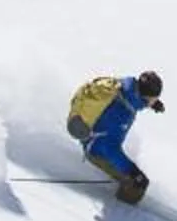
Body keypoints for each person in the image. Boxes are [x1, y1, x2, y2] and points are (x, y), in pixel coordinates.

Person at [66, 70, 165, 204]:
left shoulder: (125, 91)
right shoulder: (121, 111)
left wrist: (151, 104)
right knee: (138, 183)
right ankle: (121, 209)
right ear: (146, 96)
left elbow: (136, 96)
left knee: (137, 178)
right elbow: (106, 146)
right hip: (97, 151)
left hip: (103, 143)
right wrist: (130, 170)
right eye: (154, 98)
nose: (155, 101)